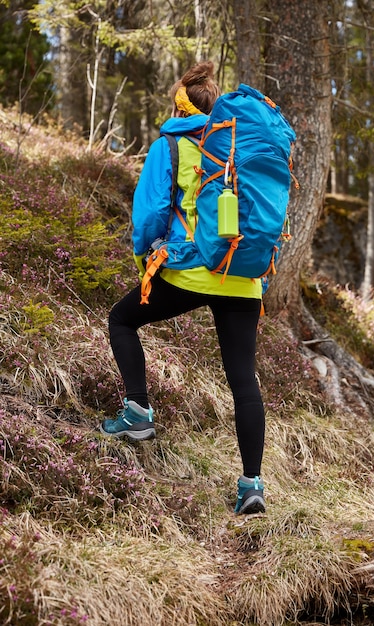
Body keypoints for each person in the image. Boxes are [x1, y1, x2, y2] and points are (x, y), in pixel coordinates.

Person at [100, 61, 266, 515]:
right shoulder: (239, 149)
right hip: (243, 277)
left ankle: (136, 412)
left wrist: (147, 264)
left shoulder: (170, 145)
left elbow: (150, 215)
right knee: (243, 380)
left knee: (121, 319)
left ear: (180, 103)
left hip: (191, 270)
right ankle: (252, 485)